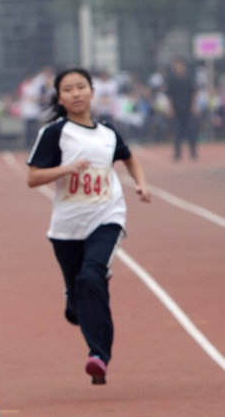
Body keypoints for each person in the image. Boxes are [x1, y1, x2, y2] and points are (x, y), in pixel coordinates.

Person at [26, 67, 151, 385]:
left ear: (93, 91)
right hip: (67, 227)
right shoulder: (55, 133)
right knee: (79, 295)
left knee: (93, 276)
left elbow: (128, 157)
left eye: (81, 87)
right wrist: (67, 168)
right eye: (68, 89)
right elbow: (33, 177)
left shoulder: (108, 132)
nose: (76, 93)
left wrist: (141, 184)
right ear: (59, 97)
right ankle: (74, 299)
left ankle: (98, 356)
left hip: (107, 216)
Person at [166, 56, 198, 161]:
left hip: (188, 109)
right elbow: (169, 96)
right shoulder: (171, 80)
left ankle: (193, 153)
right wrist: (170, 107)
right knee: (177, 132)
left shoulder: (189, 79)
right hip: (177, 109)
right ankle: (177, 154)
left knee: (190, 131)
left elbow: (193, 93)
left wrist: (194, 106)